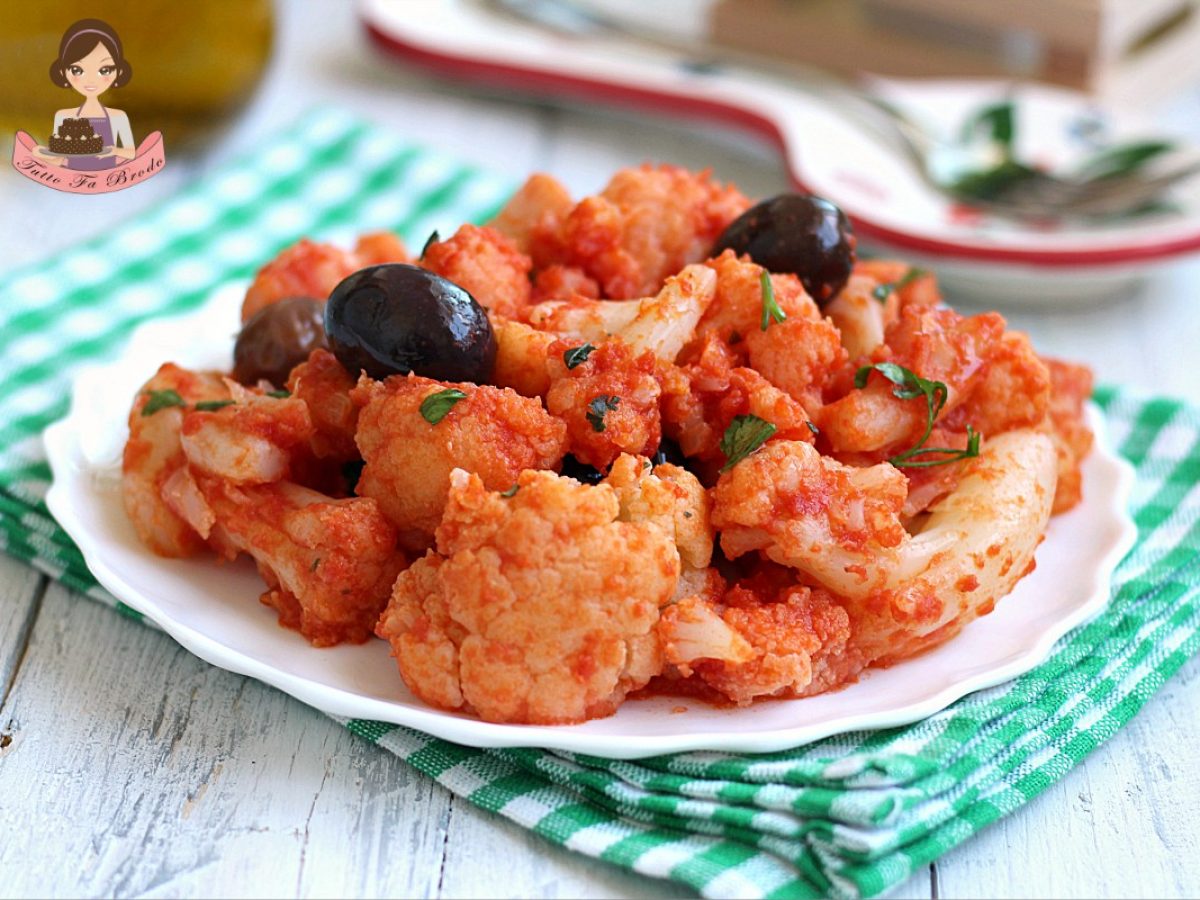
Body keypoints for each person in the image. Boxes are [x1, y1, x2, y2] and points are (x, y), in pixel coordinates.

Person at [35, 19, 135, 171]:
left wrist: (113, 151)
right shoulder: (63, 115)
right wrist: (39, 153)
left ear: (119, 72)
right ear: (63, 72)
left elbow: (131, 152)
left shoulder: (118, 116)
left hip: (110, 179)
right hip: (69, 181)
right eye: (77, 70)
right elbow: (58, 158)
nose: (90, 80)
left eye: (104, 70)